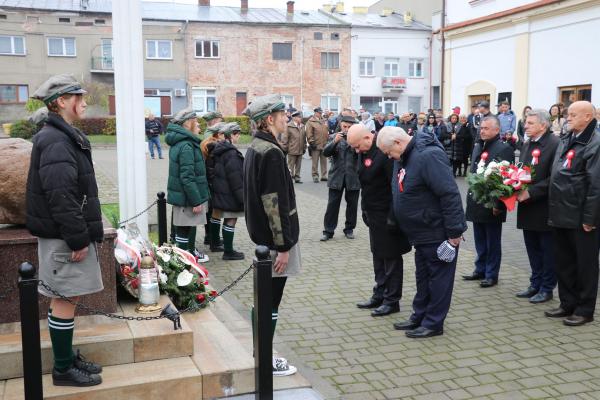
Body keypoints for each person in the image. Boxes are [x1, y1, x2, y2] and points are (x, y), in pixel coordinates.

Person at [27, 74, 103, 386]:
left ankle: (66, 357)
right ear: (61, 101)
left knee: (67, 298)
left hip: (63, 234)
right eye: (78, 96)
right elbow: (60, 194)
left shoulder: (60, 135)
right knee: (63, 299)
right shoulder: (56, 139)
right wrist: (77, 238)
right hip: (63, 237)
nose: (84, 102)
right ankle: (62, 368)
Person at [377, 127, 467, 338]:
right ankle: (419, 316)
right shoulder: (405, 157)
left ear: (398, 143)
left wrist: (454, 232)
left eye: (389, 152)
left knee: (439, 280)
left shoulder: (429, 155)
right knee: (423, 278)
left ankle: (433, 323)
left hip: (436, 231)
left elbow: (449, 193)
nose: (389, 157)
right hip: (419, 232)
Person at [243, 94, 300, 376]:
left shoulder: (256, 146)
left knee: (264, 299)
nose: (286, 118)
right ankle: (264, 359)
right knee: (270, 302)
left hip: (263, 240)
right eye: (282, 114)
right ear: (269, 119)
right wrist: (284, 246)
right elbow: (274, 204)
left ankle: (260, 352)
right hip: (275, 242)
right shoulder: (272, 153)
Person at [347, 125, 411, 317]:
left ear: (368, 137)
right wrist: (364, 209)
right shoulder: (364, 151)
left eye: (358, 146)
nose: (356, 151)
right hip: (373, 214)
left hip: (388, 214)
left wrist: (393, 215)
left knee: (390, 257)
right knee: (378, 255)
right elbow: (365, 183)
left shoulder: (385, 151)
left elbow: (396, 186)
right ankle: (380, 293)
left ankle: (392, 300)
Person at [545, 101, 600, 326]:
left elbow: (596, 184)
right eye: (568, 114)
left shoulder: (595, 142)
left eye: (573, 114)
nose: (568, 117)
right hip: (561, 211)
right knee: (564, 262)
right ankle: (567, 303)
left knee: (585, 265)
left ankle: (585, 309)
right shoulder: (568, 137)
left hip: (580, 216)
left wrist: (590, 218)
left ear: (588, 117)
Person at [463, 116, 515, 287]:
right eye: (481, 128)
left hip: (492, 203)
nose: (482, 131)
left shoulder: (504, 148)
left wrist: (498, 204)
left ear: (497, 130)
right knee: (479, 239)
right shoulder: (479, 145)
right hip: (477, 200)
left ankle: (491, 274)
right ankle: (480, 269)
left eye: (486, 128)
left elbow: (505, 179)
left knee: (492, 241)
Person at [515, 109, 560, 303]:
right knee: (532, 248)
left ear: (543, 125)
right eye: (526, 122)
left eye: (530, 123)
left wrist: (532, 192)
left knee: (547, 250)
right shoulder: (527, 143)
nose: (525, 126)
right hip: (527, 206)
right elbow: (522, 171)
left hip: (545, 207)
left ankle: (547, 288)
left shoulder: (555, 144)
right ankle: (535, 283)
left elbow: (555, 177)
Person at [165, 109, 210, 262]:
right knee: (184, 230)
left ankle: (186, 257)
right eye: (196, 122)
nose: (199, 125)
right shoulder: (186, 146)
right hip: (187, 198)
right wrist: (196, 201)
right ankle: (184, 262)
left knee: (185, 229)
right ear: (187, 124)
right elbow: (187, 176)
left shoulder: (184, 143)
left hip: (185, 196)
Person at [320, 116, 360, 241]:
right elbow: (325, 153)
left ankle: (349, 229)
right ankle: (328, 231)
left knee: (352, 205)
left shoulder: (358, 138)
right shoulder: (334, 137)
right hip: (336, 176)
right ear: (340, 126)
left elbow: (363, 155)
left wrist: (356, 146)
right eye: (344, 126)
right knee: (332, 205)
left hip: (353, 177)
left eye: (349, 127)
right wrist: (335, 142)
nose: (346, 129)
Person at [211, 122, 245, 260]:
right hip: (230, 192)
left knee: (225, 218)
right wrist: (242, 198)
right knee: (231, 219)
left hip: (221, 190)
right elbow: (235, 177)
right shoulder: (231, 153)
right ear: (231, 135)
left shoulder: (220, 149)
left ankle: (222, 247)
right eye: (237, 134)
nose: (239, 137)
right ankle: (229, 251)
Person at [200, 123, 226, 253]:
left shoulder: (207, 144)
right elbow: (212, 168)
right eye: (224, 133)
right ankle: (213, 240)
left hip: (207, 183)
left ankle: (209, 237)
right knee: (213, 213)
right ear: (219, 134)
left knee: (209, 212)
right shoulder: (214, 146)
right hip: (212, 184)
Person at [280, 110, 307, 184]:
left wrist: (304, 147)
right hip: (292, 149)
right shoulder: (289, 126)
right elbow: (285, 138)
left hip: (300, 149)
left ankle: (297, 177)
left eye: (300, 117)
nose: (300, 118)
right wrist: (284, 148)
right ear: (294, 118)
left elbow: (304, 138)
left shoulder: (302, 126)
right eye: (299, 117)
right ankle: (289, 178)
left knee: (298, 165)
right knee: (290, 166)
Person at [305, 107, 329, 183]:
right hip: (315, 144)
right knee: (315, 162)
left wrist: (327, 140)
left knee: (324, 161)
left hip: (324, 144)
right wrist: (311, 142)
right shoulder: (310, 121)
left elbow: (326, 131)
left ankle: (324, 175)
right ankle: (315, 175)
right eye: (319, 113)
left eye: (321, 113)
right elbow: (309, 133)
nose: (320, 114)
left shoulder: (323, 120)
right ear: (315, 113)